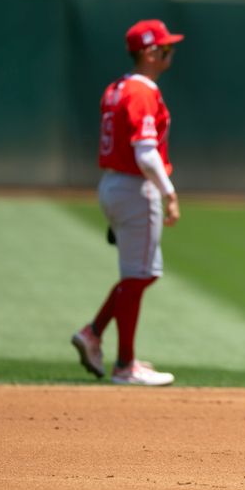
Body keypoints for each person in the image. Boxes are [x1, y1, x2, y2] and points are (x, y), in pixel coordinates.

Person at [71, 19, 184, 386]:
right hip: (136, 187)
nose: (171, 51)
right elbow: (146, 153)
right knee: (141, 275)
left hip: (114, 184)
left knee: (138, 274)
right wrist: (168, 192)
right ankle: (122, 362)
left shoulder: (117, 88)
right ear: (150, 52)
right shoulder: (141, 91)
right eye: (166, 47)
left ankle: (101, 340)